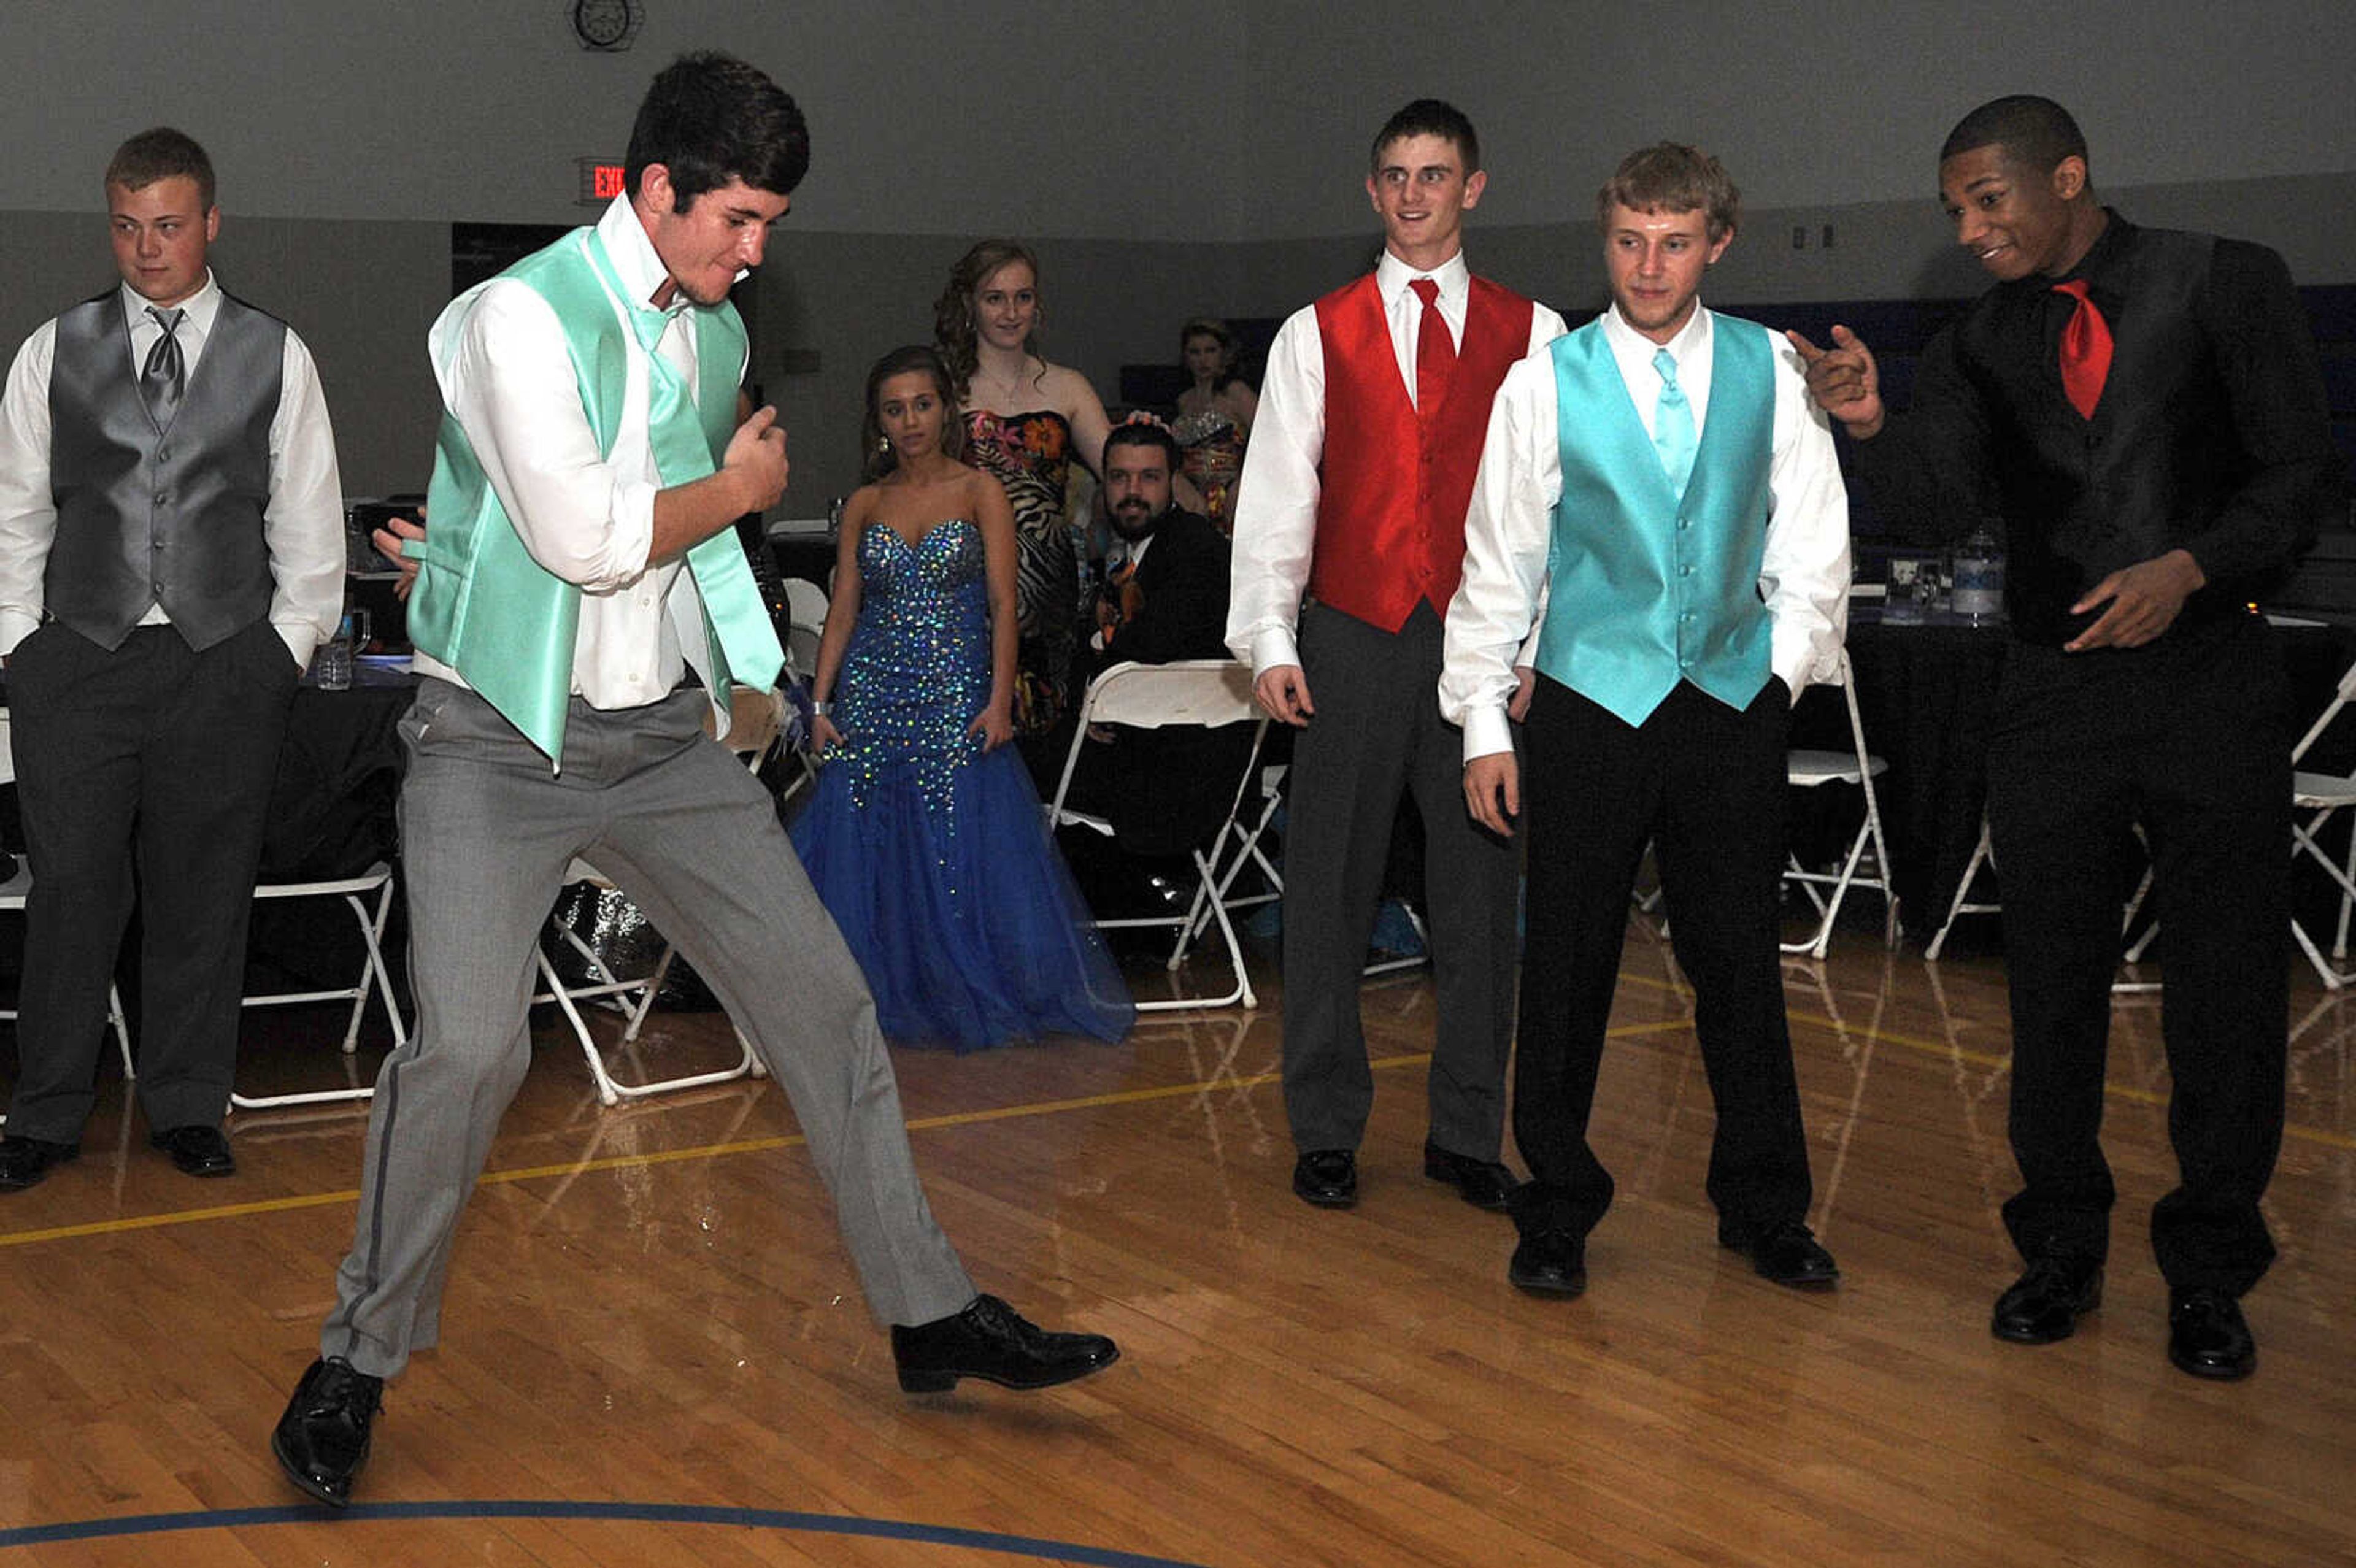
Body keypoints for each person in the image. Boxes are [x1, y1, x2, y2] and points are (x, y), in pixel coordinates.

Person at [269, 54, 1117, 1511]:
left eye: (772, 222)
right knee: (470, 1055)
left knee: (826, 1004)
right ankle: (355, 1356)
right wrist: (734, 488)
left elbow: (709, 549)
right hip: (493, 745)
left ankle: (927, 1315)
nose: (756, 250)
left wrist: (760, 681)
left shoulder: (709, 334)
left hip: (661, 742)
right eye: (737, 217)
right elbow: (596, 537)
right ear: (655, 191)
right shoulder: (509, 320)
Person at [1792, 95, 2342, 1380]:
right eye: (1956, 213)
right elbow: (1940, 506)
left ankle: (2210, 1272)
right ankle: (2060, 1249)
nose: (1973, 230)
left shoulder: (2226, 280)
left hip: (2211, 678)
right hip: (2051, 693)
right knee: (2048, 989)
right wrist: (1871, 421)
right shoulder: (1983, 340)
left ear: (2071, 176)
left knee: (2225, 992)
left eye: (1991, 202)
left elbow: (2301, 478)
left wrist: (2191, 569)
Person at [1443, 143, 1850, 1299]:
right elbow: (1501, 559)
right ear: (1604, 238)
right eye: (1629, 240)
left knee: (1739, 965)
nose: (1650, 264)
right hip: (1586, 705)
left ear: (1717, 243)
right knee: (1567, 962)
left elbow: (1812, 545)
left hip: (1728, 705)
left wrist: (1772, 674)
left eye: (1675, 242)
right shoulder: (1545, 380)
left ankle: (1766, 1207)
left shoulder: (1775, 368)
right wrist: (1482, 717)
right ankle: (1557, 1204)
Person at [1226, 99, 1566, 1213]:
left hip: (1479, 642)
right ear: (1372, 192)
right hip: (1355, 636)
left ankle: (1469, 1135)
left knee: (1480, 897)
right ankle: (1325, 1127)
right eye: (1395, 175)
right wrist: (1272, 635)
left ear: (1474, 187)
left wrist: (1531, 644)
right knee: (1326, 891)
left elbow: (1562, 511)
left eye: (1435, 173)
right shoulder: (1313, 330)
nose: (1414, 193)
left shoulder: (1539, 332)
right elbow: (1280, 495)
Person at [0, 128, 344, 1191]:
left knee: (204, 896)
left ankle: (189, 1104)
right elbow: (15, 514)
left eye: (169, 225)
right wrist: (22, 652)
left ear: (210, 223)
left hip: (224, 664)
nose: (147, 249)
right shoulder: (53, 348)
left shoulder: (276, 353)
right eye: (127, 226)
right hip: (79, 666)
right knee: (71, 892)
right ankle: (46, 1110)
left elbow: (307, 521)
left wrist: (281, 652)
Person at [789, 346, 1133, 1051]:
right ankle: (865, 994)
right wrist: (820, 707)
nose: (910, 420)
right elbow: (844, 608)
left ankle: (957, 985)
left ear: (945, 409)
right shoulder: (866, 502)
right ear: (878, 421)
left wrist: (999, 699)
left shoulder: (981, 493)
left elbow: (1006, 606)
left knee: (952, 847)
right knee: (865, 843)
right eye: (894, 408)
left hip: (956, 694)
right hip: (873, 692)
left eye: (922, 403)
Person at [932, 241, 1114, 745]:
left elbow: (1119, 473)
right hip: (965, 586)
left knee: (1044, 732)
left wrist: (1144, 442)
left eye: (1023, 298)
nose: (1011, 313)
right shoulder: (944, 388)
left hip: (1050, 586)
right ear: (970, 305)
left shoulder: (1068, 386)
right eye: (996, 299)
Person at [1056, 419, 1246, 851]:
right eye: (1120, 477)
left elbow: (1150, 646)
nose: (1133, 491)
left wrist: (1094, 689)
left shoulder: (1196, 551)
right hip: (1144, 757)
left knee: (1007, 774)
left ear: (1173, 484)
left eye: (1150, 477)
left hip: (1179, 777)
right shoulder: (1139, 551)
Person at [1172, 317, 1257, 534]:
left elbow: (1267, 440)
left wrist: (1243, 484)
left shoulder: (1237, 393)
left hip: (1230, 494)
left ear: (1224, 354)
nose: (1203, 360)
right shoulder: (1183, 401)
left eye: (1210, 351)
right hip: (1190, 496)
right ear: (1185, 357)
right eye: (1195, 352)